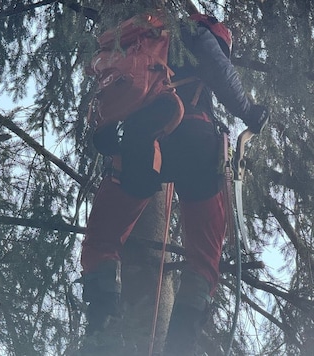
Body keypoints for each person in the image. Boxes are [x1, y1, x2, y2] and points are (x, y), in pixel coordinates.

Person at [79, 5, 269, 355]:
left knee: (102, 240)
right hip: (196, 138)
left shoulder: (134, 44)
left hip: (141, 142)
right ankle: (181, 343)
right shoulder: (193, 32)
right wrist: (250, 112)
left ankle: (100, 332)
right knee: (204, 254)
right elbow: (219, 70)